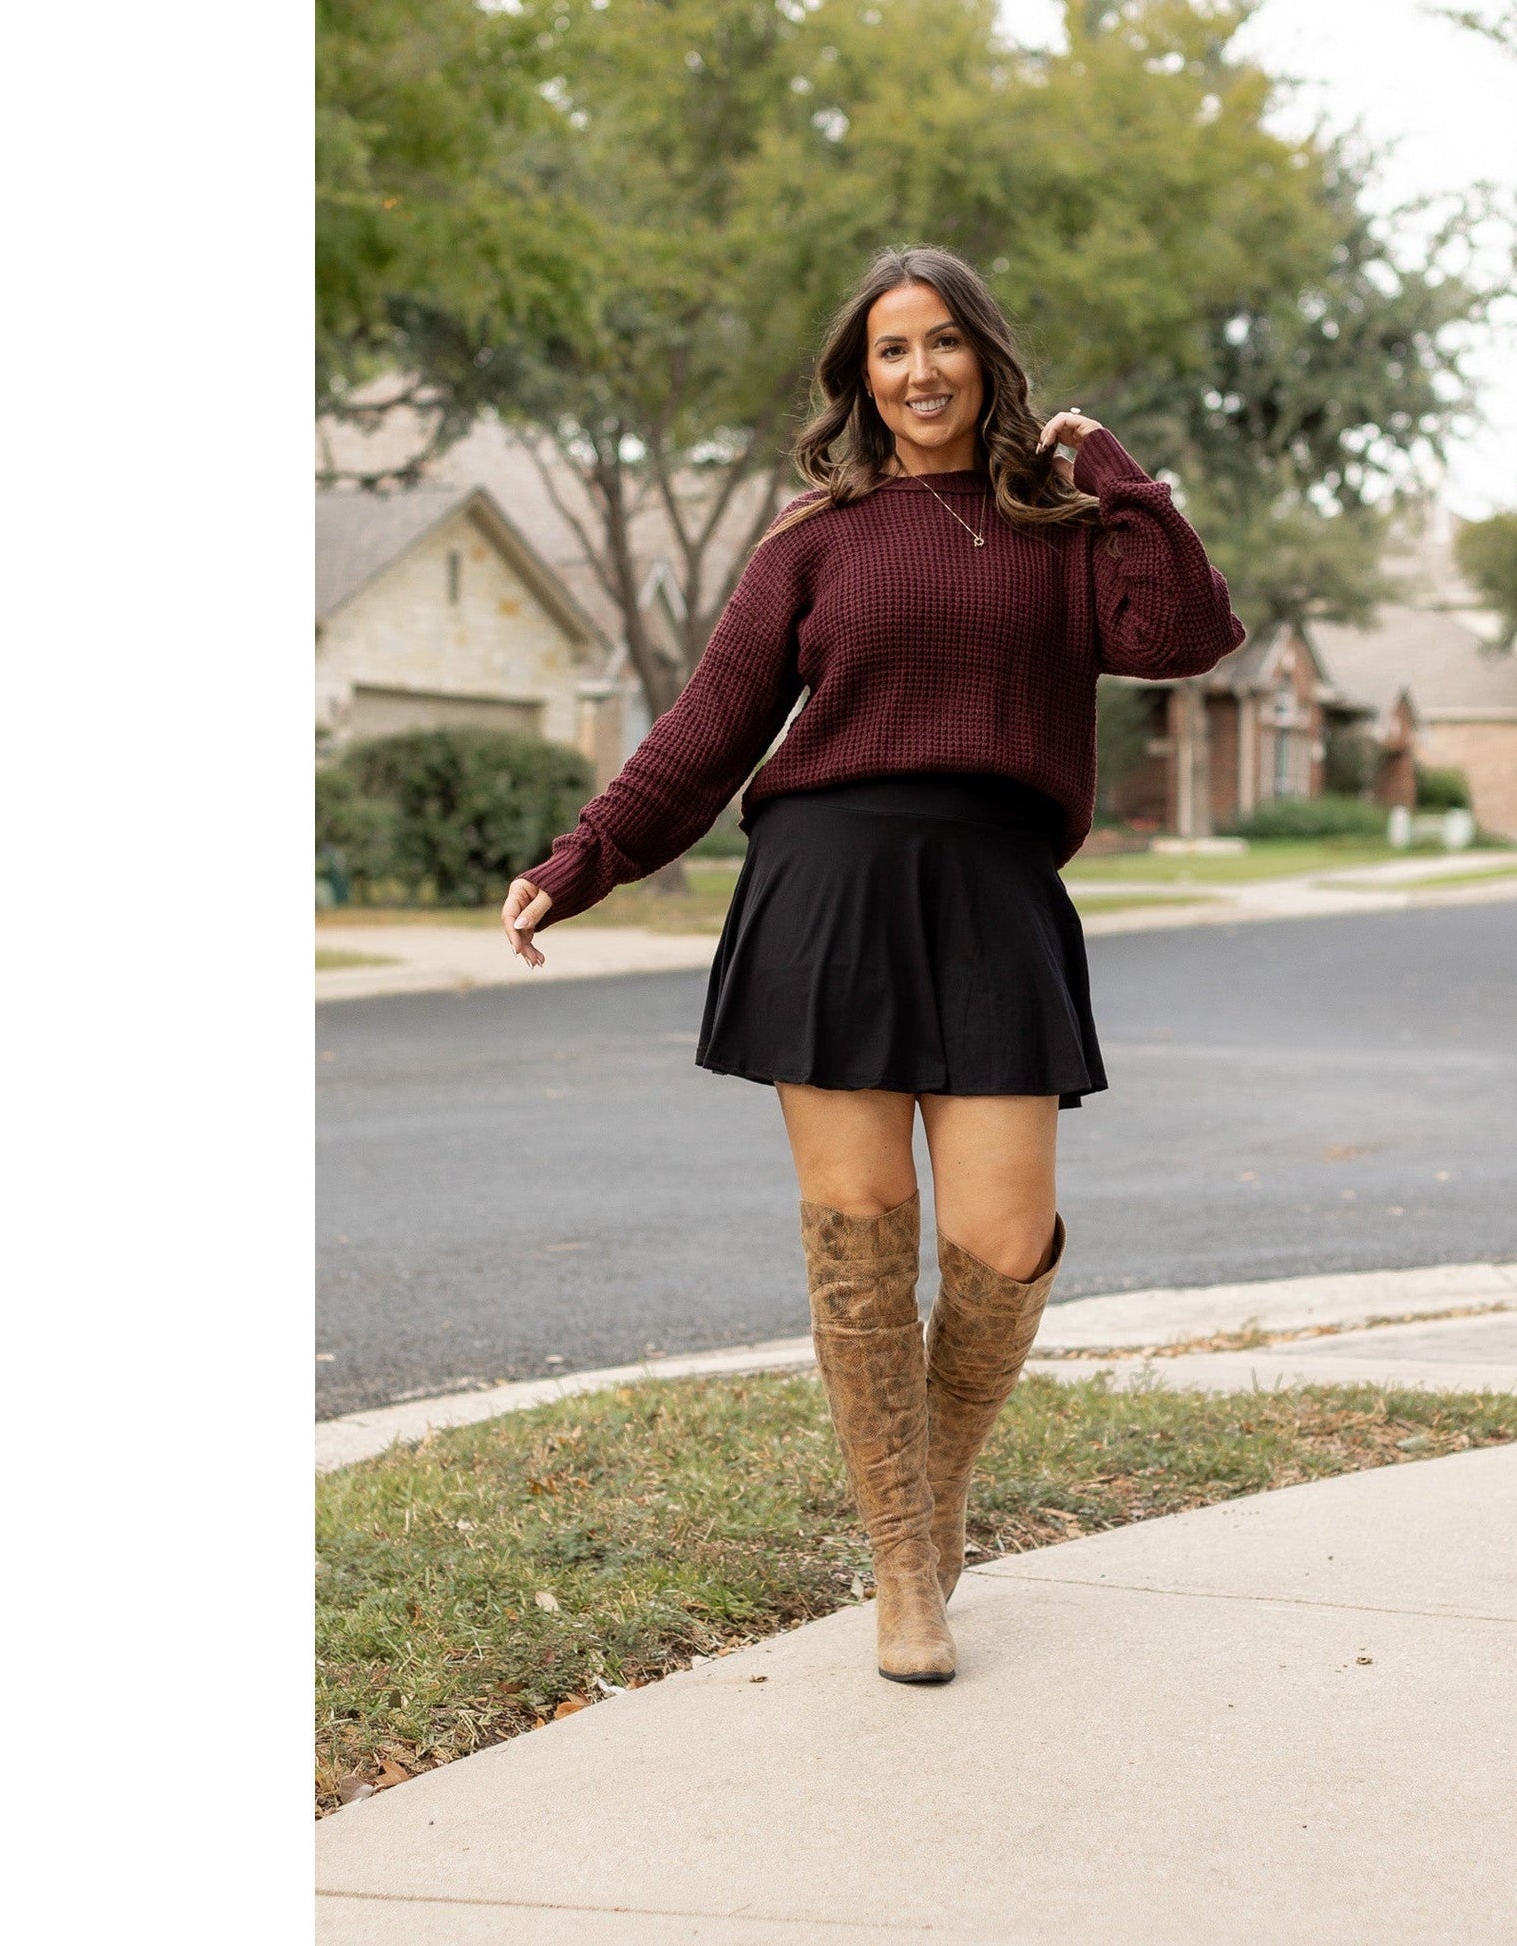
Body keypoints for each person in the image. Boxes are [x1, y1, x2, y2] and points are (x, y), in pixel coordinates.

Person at [501, 245, 1244, 1685]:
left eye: (943, 342)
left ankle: (934, 1488)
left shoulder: (1066, 528)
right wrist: (582, 858)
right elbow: (711, 726)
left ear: (986, 358)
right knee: (860, 1228)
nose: (919, 371)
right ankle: (905, 1565)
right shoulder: (816, 538)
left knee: (1003, 1243)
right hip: (827, 889)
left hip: (995, 894)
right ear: (862, 379)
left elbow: (1188, 633)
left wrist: (1116, 472)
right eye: (890, 351)